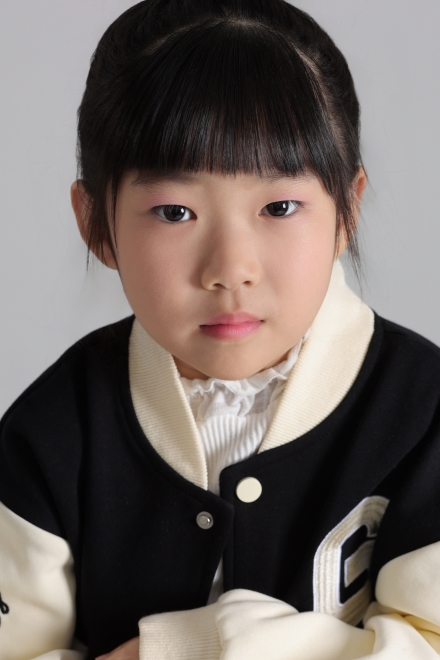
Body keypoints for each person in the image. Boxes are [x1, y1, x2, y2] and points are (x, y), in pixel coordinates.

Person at [1, 0, 440, 658]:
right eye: (174, 212)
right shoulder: (53, 429)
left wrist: (197, 647)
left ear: (347, 211)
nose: (231, 269)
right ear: (96, 224)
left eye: (280, 206)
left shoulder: (422, 412)